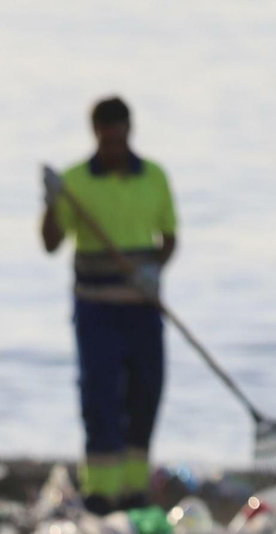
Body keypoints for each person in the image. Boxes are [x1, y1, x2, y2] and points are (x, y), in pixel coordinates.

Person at [41, 99, 177, 513]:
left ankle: (134, 489)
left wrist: (155, 269)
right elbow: (51, 244)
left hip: (142, 305)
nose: (115, 145)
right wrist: (50, 202)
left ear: (130, 130)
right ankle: (100, 491)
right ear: (95, 132)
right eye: (107, 137)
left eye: (121, 136)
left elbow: (168, 237)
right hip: (96, 309)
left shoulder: (153, 177)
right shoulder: (76, 182)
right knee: (99, 395)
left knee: (145, 392)